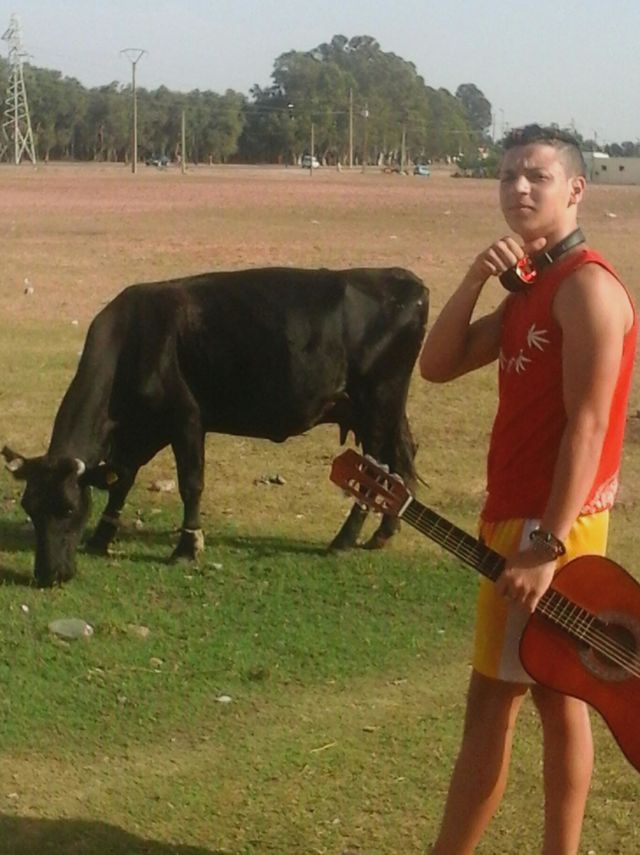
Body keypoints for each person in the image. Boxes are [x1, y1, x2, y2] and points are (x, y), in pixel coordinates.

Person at [419, 125, 637, 855]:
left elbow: (588, 426)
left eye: (536, 176)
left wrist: (545, 546)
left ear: (576, 189)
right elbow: (438, 365)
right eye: (507, 174)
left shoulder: (587, 289)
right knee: (556, 698)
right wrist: (475, 279)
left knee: (495, 702)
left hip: (549, 527)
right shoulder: (533, 286)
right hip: (522, 517)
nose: (517, 187)